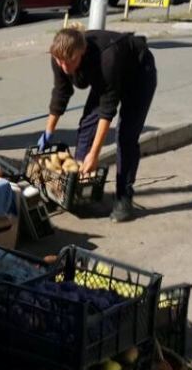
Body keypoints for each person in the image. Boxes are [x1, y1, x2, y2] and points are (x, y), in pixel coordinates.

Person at [39, 27, 157, 223]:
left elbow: (106, 111)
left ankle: (124, 198)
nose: (65, 67)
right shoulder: (59, 56)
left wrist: (94, 154)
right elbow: (61, 92)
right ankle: (78, 188)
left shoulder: (106, 58)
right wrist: (48, 132)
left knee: (126, 137)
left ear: (82, 52)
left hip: (138, 74)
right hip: (106, 80)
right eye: (61, 62)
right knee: (86, 125)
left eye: (71, 61)